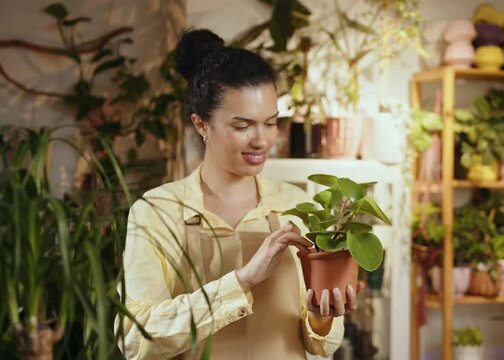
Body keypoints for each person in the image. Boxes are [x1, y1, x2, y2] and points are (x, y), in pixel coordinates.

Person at [116, 29, 353, 359]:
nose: (262, 140)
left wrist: (322, 316)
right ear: (201, 125)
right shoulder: (157, 211)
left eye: (270, 123)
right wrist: (241, 281)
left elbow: (322, 345)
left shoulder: (296, 206)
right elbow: (136, 340)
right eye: (242, 126)